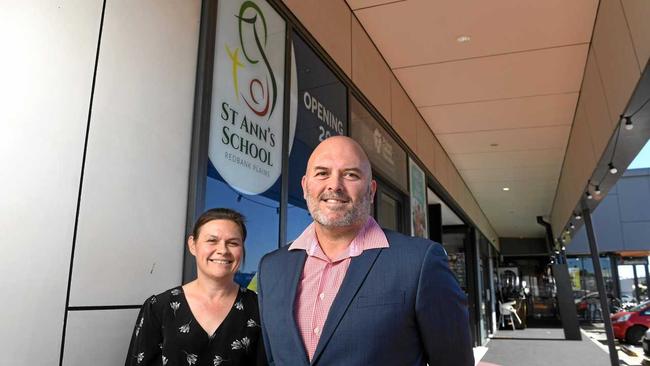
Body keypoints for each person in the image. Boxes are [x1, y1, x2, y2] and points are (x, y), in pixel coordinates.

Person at [257, 136, 473, 365]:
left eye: (350, 174)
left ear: (371, 191)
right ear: (304, 186)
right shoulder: (272, 267)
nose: (334, 185)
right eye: (322, 173)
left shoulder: (420, 263)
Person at [126, 208, 266, 366]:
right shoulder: (158, 307)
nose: (223, 250)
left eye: (233, 243)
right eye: (212, 241)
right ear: (193, 245)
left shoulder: (260, 308)